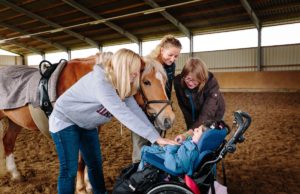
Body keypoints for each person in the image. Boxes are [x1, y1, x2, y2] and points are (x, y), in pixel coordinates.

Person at [49, 49, 178, 194]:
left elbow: (135, 112)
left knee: (95, 164)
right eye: (133, 72)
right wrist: (156, 138)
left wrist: (157, 137)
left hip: (86, 124)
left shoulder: (123, 85)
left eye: (137, 73)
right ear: (122, 69)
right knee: (69, 170)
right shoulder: (101, 83)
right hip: (65, 121)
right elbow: (124, 115)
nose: (135, 76)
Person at [131, 35, 182, 163]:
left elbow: (167, 89)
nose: (173, 59)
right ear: (161, 50)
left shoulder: (171, 66)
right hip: (143, 110)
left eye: (176, 56)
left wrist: (166, 107)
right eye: (170, 55)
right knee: (140, 145)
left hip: (160, 108)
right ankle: (138, 169)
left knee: (156, 142)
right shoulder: (146, 64)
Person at [138, 120, 229, 176]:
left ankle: (139, 177)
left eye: (198, 131)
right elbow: (187, 145)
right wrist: (183, 140)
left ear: (203, 139)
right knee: (149, 148)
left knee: (145, 150)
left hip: (168, 161)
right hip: (171, 155)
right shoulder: (194, 146)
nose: (195, 130)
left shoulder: (191, 152)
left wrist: (170, 148)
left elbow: (174, 167)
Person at [174, 57, 225, 131]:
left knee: (210, 133)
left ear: (202, 78)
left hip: (214, 112)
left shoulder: (211, 83)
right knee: (194, 133)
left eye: (195, 80)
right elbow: (184, 107)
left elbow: (207, 113)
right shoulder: (178, 82)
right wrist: (191, 128)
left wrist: (192, 131)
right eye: (188, 79)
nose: (190, 83)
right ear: (184, 75)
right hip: (194, 111)